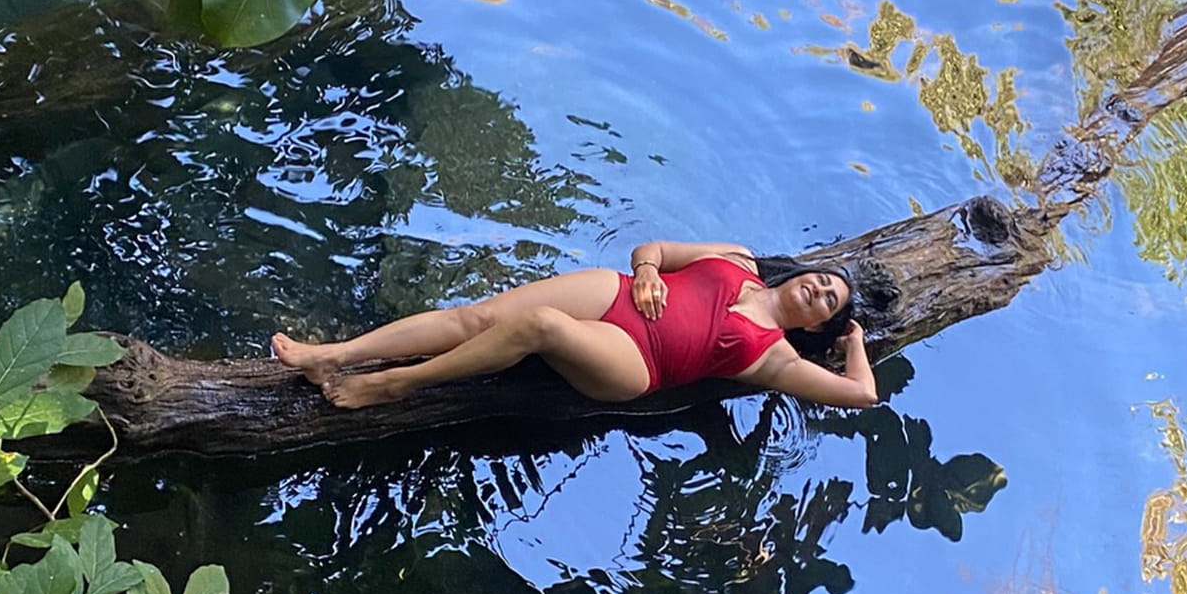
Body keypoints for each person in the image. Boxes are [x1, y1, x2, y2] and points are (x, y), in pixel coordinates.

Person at [271, 239, 880, 409]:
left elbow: (861, 394)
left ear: (816, 323)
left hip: (637, 359)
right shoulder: (739, 259)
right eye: (824, 281)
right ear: (807, 273)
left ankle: (396, 384)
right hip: (622, 295)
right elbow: (656, 248)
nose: (820, 291)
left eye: (829, 302)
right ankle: (335, 354)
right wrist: (644, 271)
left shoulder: (776, 357)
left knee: (541, 325)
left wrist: (853, 340)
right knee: (477, 314)